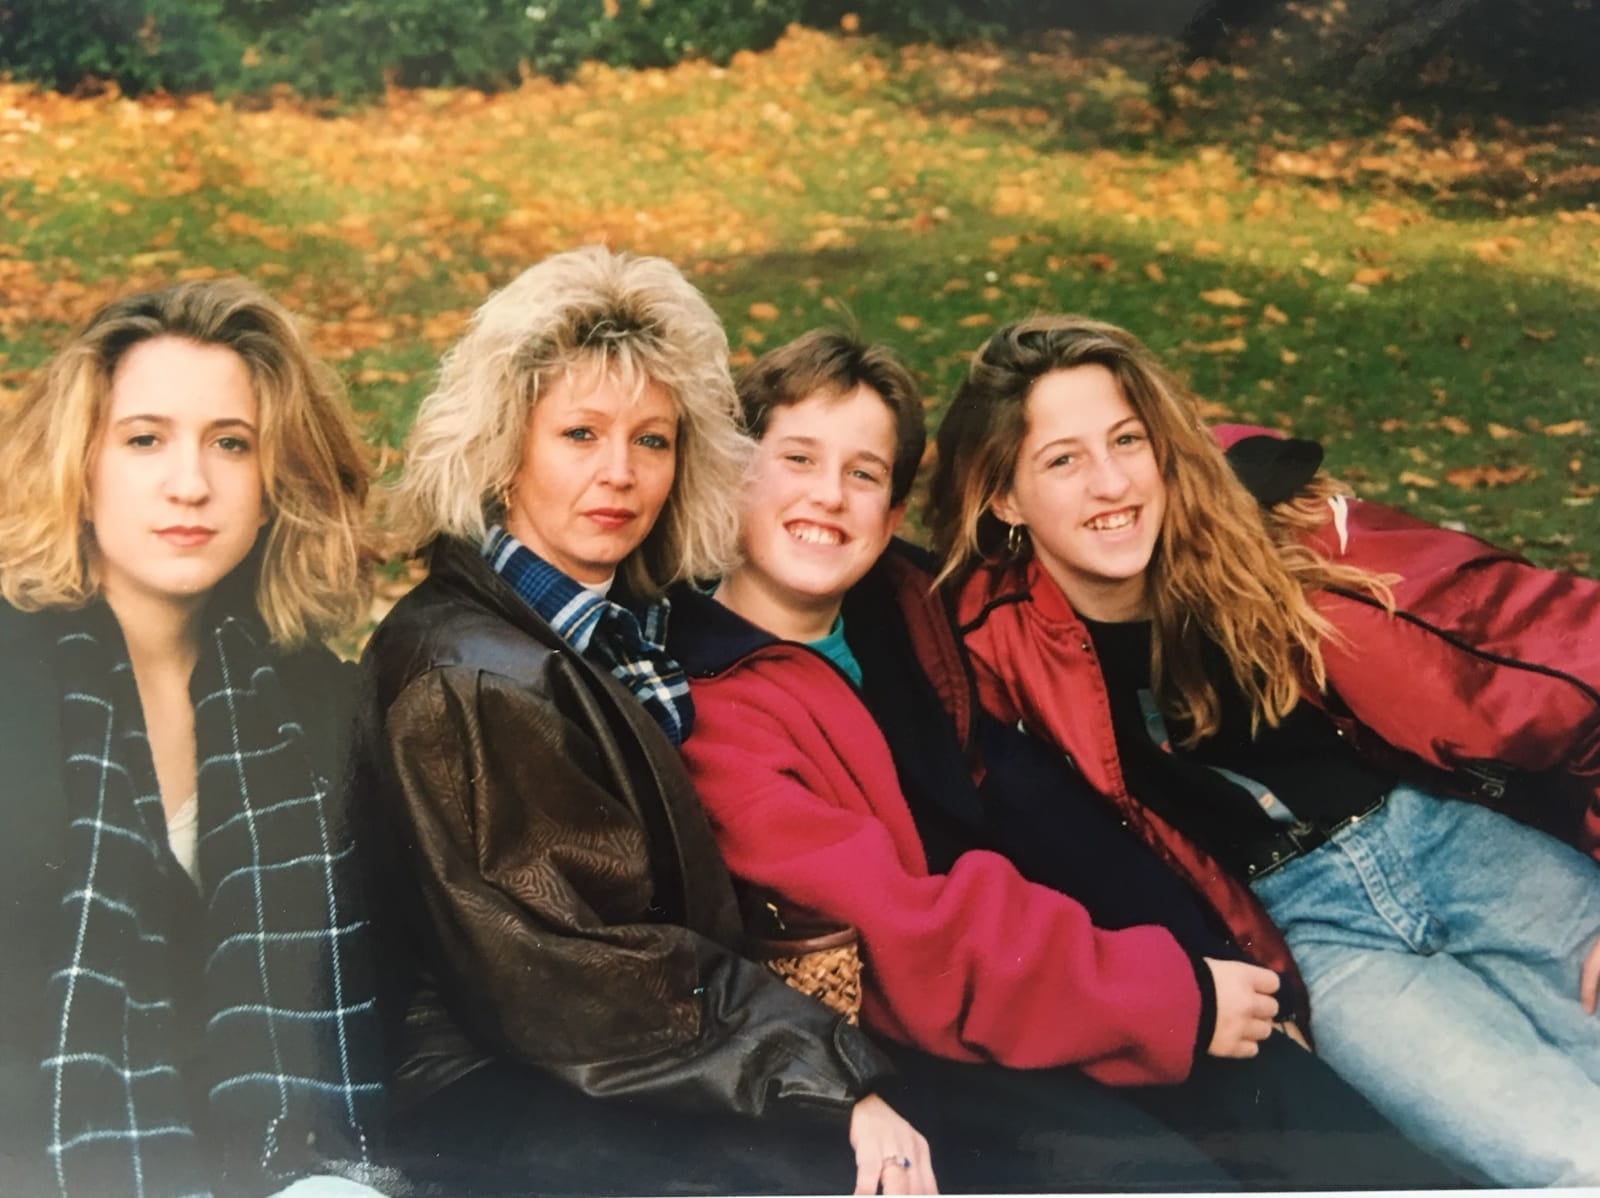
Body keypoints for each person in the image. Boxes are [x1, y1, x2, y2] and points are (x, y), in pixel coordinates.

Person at [666, 328, 1463, 1192]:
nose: (829, 497)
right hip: (931, 1051)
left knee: (1339, 1136)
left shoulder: (905, 605)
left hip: (1077, 979)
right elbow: (906, 939)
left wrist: (1217, 961)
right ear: (732, 473)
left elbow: (1050, 807)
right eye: (798, 459)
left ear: (892, 514)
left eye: (864, 473)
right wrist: (1169, 998)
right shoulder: (715, 704)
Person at [926, 312, 1600, 1187]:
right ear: (1006, 497)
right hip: (1316, 936)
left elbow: (1550, 643)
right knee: (1560, 1153)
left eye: (1127, 440)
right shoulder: (991, 645)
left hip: (1449, 841)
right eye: (1063, 459)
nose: (1110, 483)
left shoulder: (1282, 532)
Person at [353, 246, 938, 1197]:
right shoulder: (472, 674)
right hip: (502, 1094)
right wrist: (826, 1072)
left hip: (639, 1051)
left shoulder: (612, 620)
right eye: (580, 435)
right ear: (507, 450)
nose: (619, 474)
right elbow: (577, 974)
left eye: (653, 440)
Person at [0, 280, 388, 1198]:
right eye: (145, 440)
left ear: (273, 485)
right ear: (79, 468)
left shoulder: (317, 704)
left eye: (231, 444)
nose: (191, 484)